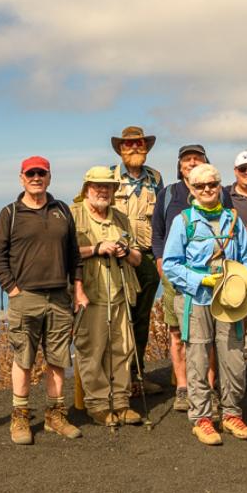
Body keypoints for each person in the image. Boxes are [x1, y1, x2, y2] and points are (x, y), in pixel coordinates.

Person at [0, 156, 89, 445]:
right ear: (21, 177)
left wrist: (78, 289)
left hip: (60, 296)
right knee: (23, 359)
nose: (36, 177)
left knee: (58, 359)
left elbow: (74, 255)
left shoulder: (61, 211)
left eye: (41, 173)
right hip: (26, 298)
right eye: (30, 173)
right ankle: (20, 416)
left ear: (49, 177)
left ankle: (54, 415)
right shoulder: (9, 214)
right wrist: (13, 290)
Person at [161, 163, 247, 445]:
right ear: (191, 188)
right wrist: (199, 280)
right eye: (200, 186)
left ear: (219, 186)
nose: (207, 190)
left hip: (230, 299)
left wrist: (242, 280)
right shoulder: (184, 221)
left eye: (212, 185)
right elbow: (171, 264)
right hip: (196, 300)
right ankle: (202, 418)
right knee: (198, 357)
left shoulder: (233, 219)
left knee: (233, 356)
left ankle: (231, 414)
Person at [150, 145, 234, 412]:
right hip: (176, 275)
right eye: (186, 159)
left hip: (213, 277)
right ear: (179, 166)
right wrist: (163, 265)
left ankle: (208, 388)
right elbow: (158, 234)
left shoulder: (218, 192)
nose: (191, 162)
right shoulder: (168, 194)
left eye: (197, 158)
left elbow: (229, 228)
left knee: (206, 335)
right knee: (177, 334)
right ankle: (183, 388)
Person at [71, 166, 143, 426]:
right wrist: (96, 248)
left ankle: (121, 402)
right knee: (93, 350)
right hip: (90, 294)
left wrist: (125, 251)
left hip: (121, 292)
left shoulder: (121, 219)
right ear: (86, 189)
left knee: (122, 349)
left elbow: (137, 258)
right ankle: (99, 404)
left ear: (114, 191)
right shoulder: (74, 215)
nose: (102, 190)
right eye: (97, 186)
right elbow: (66, 254)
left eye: (108, 186)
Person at [110, 127, 164, 396]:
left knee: (141, 319)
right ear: (120, 149)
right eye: (128, 144)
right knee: (119, 320)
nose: (134, 147)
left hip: (147, 256)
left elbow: (162, 219)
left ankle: (137, 376)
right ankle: (117, 380)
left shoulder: (156, 178)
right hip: (117, 259)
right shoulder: (108, 177)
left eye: (139, 143)